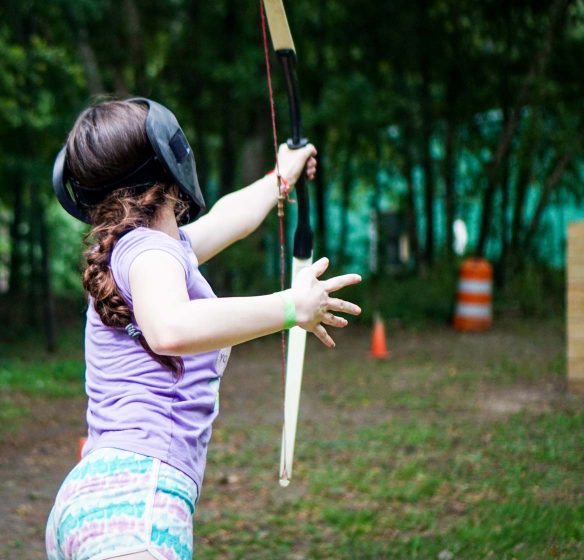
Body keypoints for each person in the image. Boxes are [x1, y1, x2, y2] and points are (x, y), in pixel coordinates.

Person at [46, 98, 361, 560]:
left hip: (92, 502)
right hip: (139, 506)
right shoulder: (151, 254)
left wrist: (282, 175)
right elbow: (170, 328)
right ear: (171, 162)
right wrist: (290, 307)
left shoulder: (147, 251)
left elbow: (229, 220)